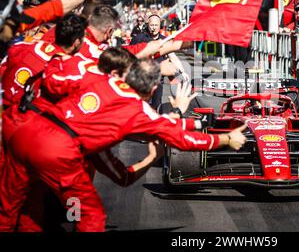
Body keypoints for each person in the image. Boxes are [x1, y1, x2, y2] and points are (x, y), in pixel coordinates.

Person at [0, 57, 247, 232]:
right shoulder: (137, 111)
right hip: (60, 151)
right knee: (90, 216)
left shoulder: (99, 77)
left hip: (25, 133)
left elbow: (55, 79)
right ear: (152, 89)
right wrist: (226, 138)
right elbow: (181, 140)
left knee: (18, 210)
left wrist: (180, 118)